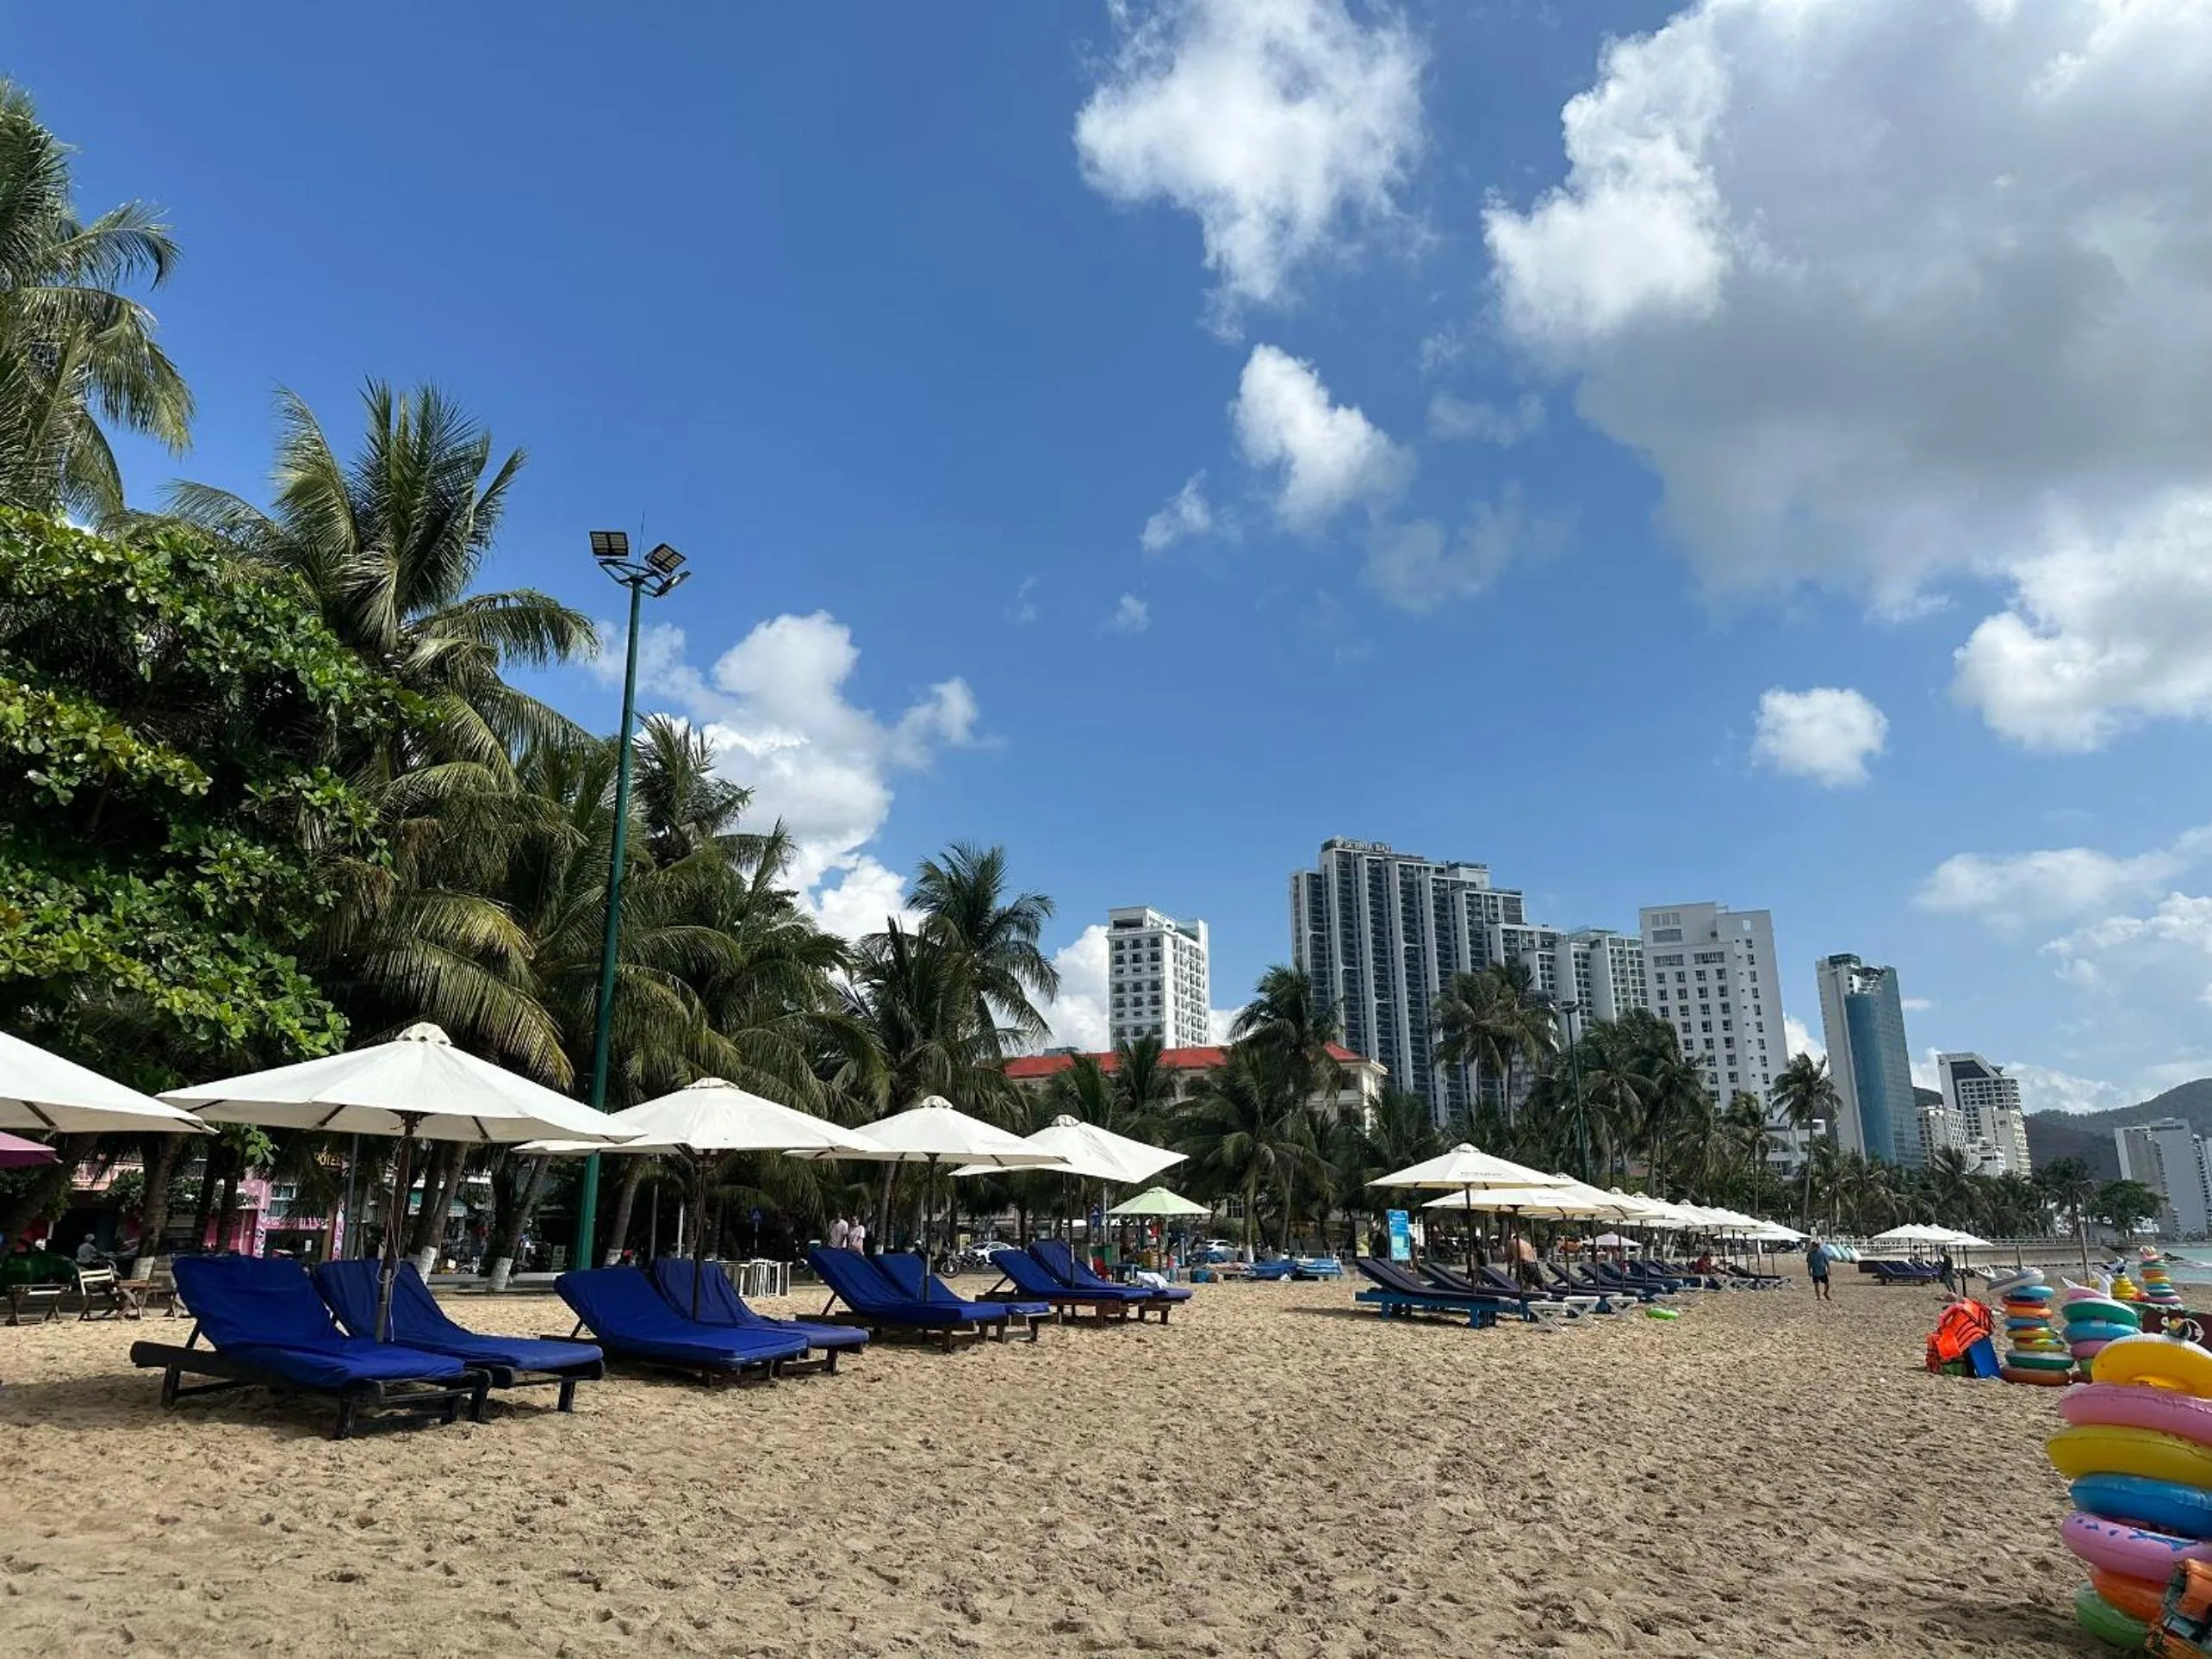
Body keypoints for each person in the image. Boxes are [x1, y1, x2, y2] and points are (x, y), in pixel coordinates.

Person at [1805, 1235, 1832, 1302]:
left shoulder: (1822, 1253)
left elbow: (1826, 1262)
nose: (1815, 1248)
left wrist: (1829, 1269)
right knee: (1816, 1285)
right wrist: (1809, 1271)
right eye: (1814, 1246)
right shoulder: (1810, 1254)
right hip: (1815, 1272)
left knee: (1827, 1285)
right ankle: (1818, 1297)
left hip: (1823, 1271)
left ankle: (1825, 1293)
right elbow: (1809, 1264)